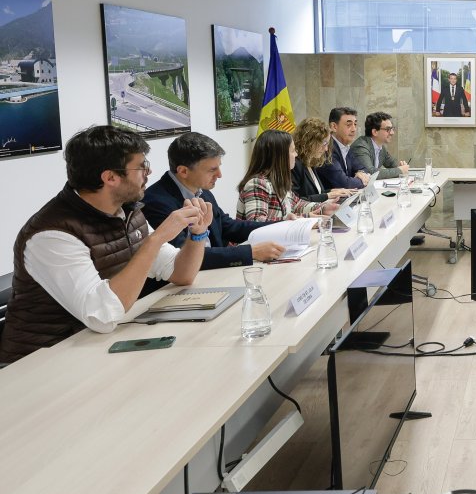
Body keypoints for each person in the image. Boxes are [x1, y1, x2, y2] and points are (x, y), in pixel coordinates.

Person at [0, 126, 211, 363]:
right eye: (141, 166)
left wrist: (198, 234)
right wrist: (156, 239)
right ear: (110, 177)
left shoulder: (127, 212)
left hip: (94, 346)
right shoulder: (51, 235)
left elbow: (181, 273)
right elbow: (101, 315)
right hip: (41, 363)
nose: (148, 172)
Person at [143, 132, 285, 269]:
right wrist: (251, 252)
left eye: (219, 167)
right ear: (183, 171)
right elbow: (182, 256)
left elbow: (229, 227)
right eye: (212, 170)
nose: (220, 175)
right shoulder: (155, 202)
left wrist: (283, 226)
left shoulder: (202, 191)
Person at [237, 130, 337, 221]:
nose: (296, 154)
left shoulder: (279, 181)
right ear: (280, 156)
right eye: (293, 151)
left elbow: (297, 204)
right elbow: (256, 222)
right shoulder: (257, 183)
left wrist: (323, 207)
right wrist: (304, 218)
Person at [291, 117, 355, 204]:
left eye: (327, 144)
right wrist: (328, 195)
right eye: (324, 143)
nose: (325, 149)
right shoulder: (294, 164)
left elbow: (317, 193)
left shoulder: (310, 161)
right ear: (309, 141)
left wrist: (333, 191)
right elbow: (295, 201)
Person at [317, 107, 371, 190]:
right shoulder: (326, 149)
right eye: (349, 125)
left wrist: (361, 173)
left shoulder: (345, 146)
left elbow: (363, 168)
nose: (354, 129)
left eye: (355, 124)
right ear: (334, 127)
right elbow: (344, 184)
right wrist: (363, 180)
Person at [350, 111, 409, 179]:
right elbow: (369, 172)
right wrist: (399, 170)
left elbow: (393, 165)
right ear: (375, 132)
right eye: (388, 129)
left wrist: (401, 166)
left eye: (392, 129)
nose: (392, 133)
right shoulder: (361, 146)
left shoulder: (381, 147)